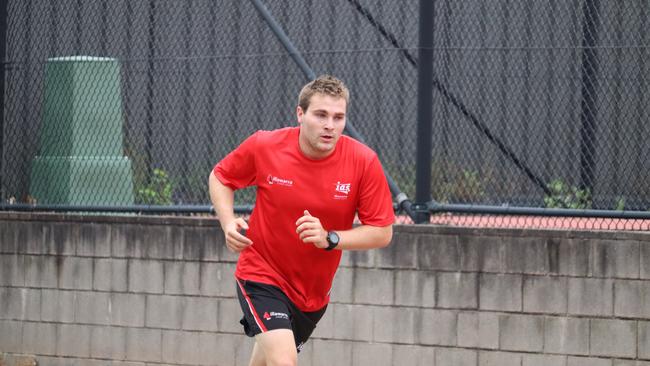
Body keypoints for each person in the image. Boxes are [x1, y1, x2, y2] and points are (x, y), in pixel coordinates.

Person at [208, 75, 394, 366]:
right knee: (284, 361)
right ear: (300, 114)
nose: (329, 125)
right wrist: (228, 222)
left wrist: (330, 238)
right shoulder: (265, 145)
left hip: (312, 295)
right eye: (320, 115)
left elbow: (382, 232)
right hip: (261, 274)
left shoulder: (363, 161)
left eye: (338, 117)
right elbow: (221, 176)